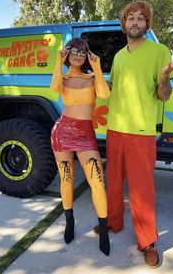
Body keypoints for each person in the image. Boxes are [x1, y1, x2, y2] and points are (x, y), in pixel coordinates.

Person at [93, 0, 173, 266]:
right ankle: (114, 223)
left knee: (141, 190)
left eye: (140, 18)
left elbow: (163, 95)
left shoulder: (159, 51)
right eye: (131, 18)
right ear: (124, 24)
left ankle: (147, 241)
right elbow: (113, 91)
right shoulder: (120, 56)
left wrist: (166, 76)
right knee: (113, 181)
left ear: (147, 24)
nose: (135, 22)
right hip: (115, 128)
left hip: (141, 131)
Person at [50, 37, 111, 256]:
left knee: (97, 180)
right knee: (66, 179)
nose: (78, 54)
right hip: (62, 132)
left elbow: (104, 94)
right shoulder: (63, 77)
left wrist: (97, 66)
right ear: (67, 54)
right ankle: (69, 221)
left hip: (85, 134)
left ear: (87, 56)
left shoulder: (93, 77)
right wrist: (58, 62)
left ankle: (103, 231)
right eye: (73, 50)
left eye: (83, 51)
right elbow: (55, 87)